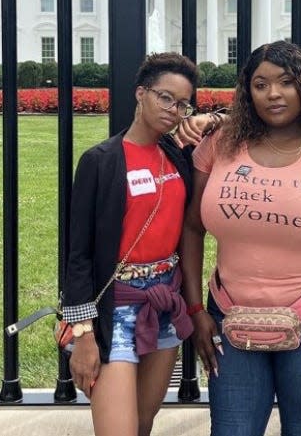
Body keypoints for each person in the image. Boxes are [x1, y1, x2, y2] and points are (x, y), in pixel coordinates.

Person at [180, 40, 301, 436]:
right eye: (260, 84)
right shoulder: (219, 145)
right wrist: (197, 310)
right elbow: (191, 228)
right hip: (229, 317)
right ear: (247, 92)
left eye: (286, 82)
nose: (273, 94)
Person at [62, 52, 202, 436]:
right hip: (116, 307)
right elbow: (77, 255)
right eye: (165, 97)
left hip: (164, 300)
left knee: (142, 424)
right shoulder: (101, 161)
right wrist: (83, 334)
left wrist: (212, 117)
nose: (174, 110)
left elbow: (243, 118)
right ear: (141, 94)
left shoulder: (177, 155)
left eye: (183, 103)